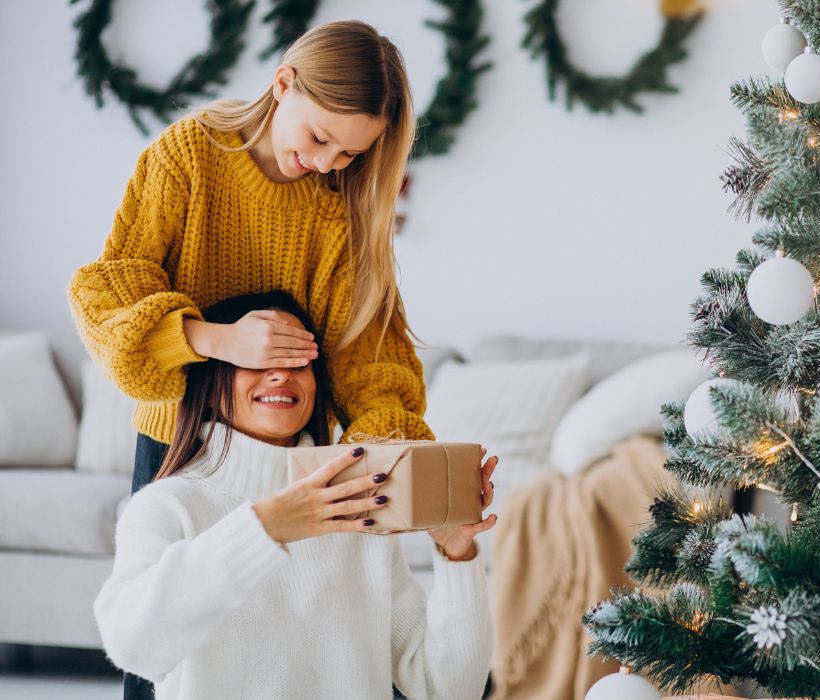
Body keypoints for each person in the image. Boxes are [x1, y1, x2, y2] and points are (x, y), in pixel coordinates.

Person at [66, 21, 436, 698]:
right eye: (321, 137)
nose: (329, 163)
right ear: (282, 83)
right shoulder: (191, 155)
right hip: (180, 442)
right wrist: (218, 339)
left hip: (293, 453)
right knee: (165, 643)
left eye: (352, 153)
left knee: (292, 643)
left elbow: (370, 353)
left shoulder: (340, 211)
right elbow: (108, 289)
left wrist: (380, 446)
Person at [94, 291, 498, 700]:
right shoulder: (168, 506)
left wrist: (457, 556)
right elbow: (132, 645)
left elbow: (450, 689)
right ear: (211, 385)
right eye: (257, 357)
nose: (281, 373)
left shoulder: (358, 509)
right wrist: (263, 529)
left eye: (299, 360)